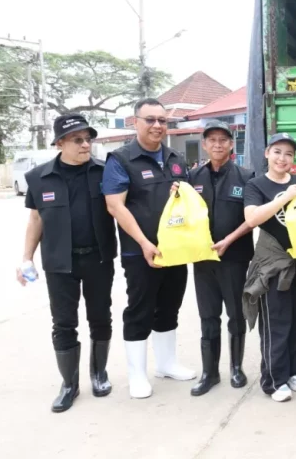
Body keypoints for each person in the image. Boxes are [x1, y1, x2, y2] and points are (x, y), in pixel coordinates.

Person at [17, 114, 117, 412]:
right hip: (60, 264)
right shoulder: (38, 177)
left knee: (100, 317)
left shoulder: (105, 171)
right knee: (63, 323)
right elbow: (36, 219)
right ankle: (69, 384)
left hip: (98, 258)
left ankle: (99, 374)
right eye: (78, 140)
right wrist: (26, 258)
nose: (86, 144)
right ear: (60, 143)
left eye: (88, 139)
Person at [103, 98, 195, 399]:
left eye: (162, 120)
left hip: (175, 251)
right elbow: (115, 205)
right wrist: (144, 242)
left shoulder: (174, 157)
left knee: (170, 306)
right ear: (135, 122)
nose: (157, 126)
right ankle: (137, 375)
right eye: (150, 120)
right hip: (139, 252)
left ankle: (166, 364)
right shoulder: (121, 158)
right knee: (140, 310)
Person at [242, 132, 296, 403]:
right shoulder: (257, 185)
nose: (283, 158)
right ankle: (273, 379)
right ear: (267, 154)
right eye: (277, 152)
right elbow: (252, 219)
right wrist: (283, 198)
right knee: (276, 322)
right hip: (273, 266)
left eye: (288, 154)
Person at [188, 121, 256, 396]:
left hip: (235, 259)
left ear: (231, 145)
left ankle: (237, 369)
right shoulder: (193, 178)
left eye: (223, 140)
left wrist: (229, 240)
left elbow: (252, 220)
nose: (217, 144)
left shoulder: (246, 176)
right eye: (212, 140)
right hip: (203, 260)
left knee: (236, 315)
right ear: (204, 144)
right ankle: (210, 372)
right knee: (208, 316)